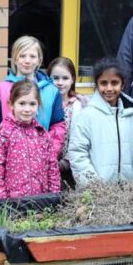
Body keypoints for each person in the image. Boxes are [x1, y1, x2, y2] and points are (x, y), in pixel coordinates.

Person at [68, 57, 133, 185]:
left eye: (114, 83)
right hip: (98, 194)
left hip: (128, 193)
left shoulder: (131, 115)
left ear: (123, 84)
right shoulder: (87, 115)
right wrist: (94, 186)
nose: (109, 88)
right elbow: (77, 153)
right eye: (104, 83)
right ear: (97, 85)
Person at [0, 36, 66, 156]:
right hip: (10, 158)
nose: (27, 61)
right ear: (15, 59)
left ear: (39, 60)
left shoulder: (52, 91)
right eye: (22, 56)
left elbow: (58, 125)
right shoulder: (0, 89)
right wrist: (0, 151)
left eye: (32, 56)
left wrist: (49, 152)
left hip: (41, 158)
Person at [0, 80, 60, 200]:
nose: (27, 109)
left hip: (40, 203)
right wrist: (2, 204)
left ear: (38, 105)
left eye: (32, 104)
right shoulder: (3, 134)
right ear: (11, 105)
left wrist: (53, 198)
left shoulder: (42, 134)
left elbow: (53, 170)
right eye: (22, 103)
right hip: (12, 206)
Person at [47, 56, 86, 188]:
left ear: (73, 79)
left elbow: (81, 137)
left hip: (71, 166)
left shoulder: (79, 105)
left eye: (65, 78)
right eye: (55, 78)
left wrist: (67, 162)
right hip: (46, 166)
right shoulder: (43, 103)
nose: (60, 82)